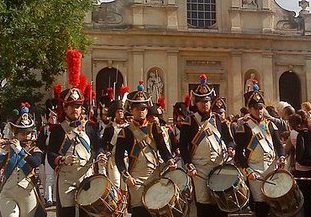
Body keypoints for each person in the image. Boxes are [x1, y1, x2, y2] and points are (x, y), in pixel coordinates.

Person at [115, 81, 176, 217]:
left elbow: (163, 149)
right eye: (137, 109)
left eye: (143, 109)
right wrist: (126, 177)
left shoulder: (155, 128)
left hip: (155, 175)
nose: (140, 111)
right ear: (131, 110)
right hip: (135, 179)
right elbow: (118, 158)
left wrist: (170, 160)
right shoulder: (125, 132)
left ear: (147, 110)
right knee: (139, 212)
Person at [179, 74, 234, 217]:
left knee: (222, 204)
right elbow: (183, 146)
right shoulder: (189, 121)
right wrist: (188, 164)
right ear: (196, 103)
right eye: (201, 101)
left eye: (208, 101)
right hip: (199, 169)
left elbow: (229, 139)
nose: (205, 104)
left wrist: (230, 149)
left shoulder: (217, 119)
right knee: (204, 205)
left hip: (218, 166)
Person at [47, 87, 106, 217]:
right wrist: (63, 159)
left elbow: (98, 145)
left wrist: (100, 154)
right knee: (67, 213)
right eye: (71, 106)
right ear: (65, 108)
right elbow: (51, 154)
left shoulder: (89, 127)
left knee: (88, 213)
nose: (75, 109)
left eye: (78, 106)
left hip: (87, 177)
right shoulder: (57, 131)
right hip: (67, 179)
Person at [232, 88, 285, 217]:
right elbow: (239, 151)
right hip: (254, 168)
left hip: (271, 166)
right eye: (255, 108)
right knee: (260, 202)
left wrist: (282, 156)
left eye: (261, 108)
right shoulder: (244, 127)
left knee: (273, 200)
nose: (259, 111)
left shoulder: (271, 125)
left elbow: (278, 144)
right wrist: (247, 170)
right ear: (250, 109)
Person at [0, 103, 46, 217]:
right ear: (16, 134)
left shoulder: (35, 149)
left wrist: (20, 150)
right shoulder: (8, 148)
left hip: (27, 192)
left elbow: (35, 163)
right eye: (23, 133)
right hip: (8, 192)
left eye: (29, 133)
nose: (27, 136)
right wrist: (2, 153)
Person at [101, 99, 128, 189]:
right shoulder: (109, 128)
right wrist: (106, 150)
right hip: (113, 158)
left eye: (121, 111)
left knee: (126, 184)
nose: (120, 113)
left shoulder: (128, 127)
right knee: (115, 182)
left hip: (126, 158)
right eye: (118, 111)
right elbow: (103, 143)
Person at [37, 97, 58, 207]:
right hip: (48, 153)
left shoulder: (60, 129)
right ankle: (48, 197)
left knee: (57, 176)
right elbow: (40, 143)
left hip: (58, 154)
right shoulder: (44, 129)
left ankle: (55, 198)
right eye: (51, 117)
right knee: (49, 177)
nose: (53, 119)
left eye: (54, 117)